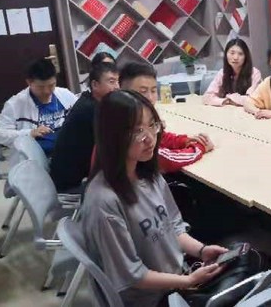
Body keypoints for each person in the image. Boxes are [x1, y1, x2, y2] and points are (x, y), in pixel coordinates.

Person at [81, 90, 227, 307]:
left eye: (152, 125)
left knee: (251, 262)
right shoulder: (104, 201)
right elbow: (133, 275)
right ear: (113, 137)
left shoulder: (148, 174)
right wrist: (188, 282)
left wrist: (202, 250)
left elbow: (173, 227)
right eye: (137, 131)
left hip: (178, 279)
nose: (150, 138)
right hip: (153, 299)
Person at [120, 62, 213, 173]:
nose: (150, 97)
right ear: (123, 93)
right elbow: (164, 158)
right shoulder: (124, 121)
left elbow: (161, 137)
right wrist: (199, 148)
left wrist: (185, 141)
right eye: (143, 91)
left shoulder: (143, 114)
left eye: (153, 91)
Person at [50, 62, 119, 193]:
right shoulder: (90, 110)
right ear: (95, 85)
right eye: (111, 82)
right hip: (72, 185)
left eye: (117, 81)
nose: (117, 87)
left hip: (72, 176)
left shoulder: (89, 101)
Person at [0, 58, 77, 156]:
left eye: (51, 85)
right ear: (29, 82)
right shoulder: (15, 104)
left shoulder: (65, 95)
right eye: (41, 87)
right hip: (33, 158)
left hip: (66, 153)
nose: (47, 91)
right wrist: (30, 133)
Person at [202, 38, 262, 107]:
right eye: (232, 53)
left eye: (240, 54)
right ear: (226, 54)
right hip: (227, 110)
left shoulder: (255, 73)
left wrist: (230, 97)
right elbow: (207, 97)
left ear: (246, 57)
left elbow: (253, 100)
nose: (235, 57)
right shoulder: (222, 73)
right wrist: (226, 101)